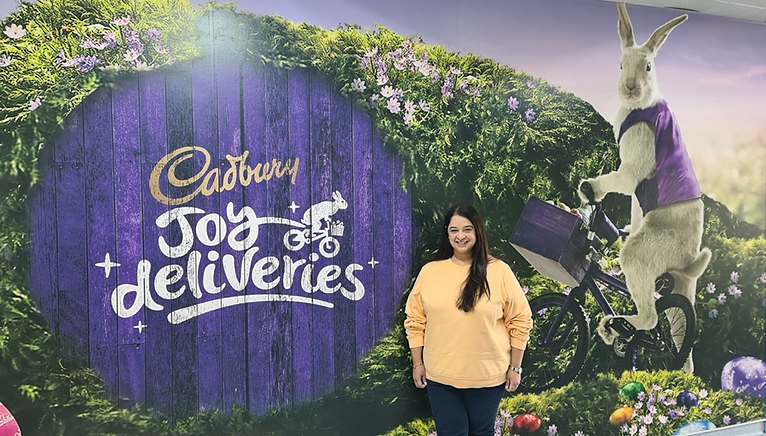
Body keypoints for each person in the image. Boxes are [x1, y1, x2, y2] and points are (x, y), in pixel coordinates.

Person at [404, 204, 533, 436]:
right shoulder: (430, 271)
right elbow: (414, 320)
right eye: (454, 230)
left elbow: (521, 320)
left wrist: (515, 367)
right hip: (440, 377)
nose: (460, 236)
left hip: (487, 377)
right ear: (447, 234)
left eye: (467, 229)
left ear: (478, 232)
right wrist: (417, 363)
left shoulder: (500, 271)